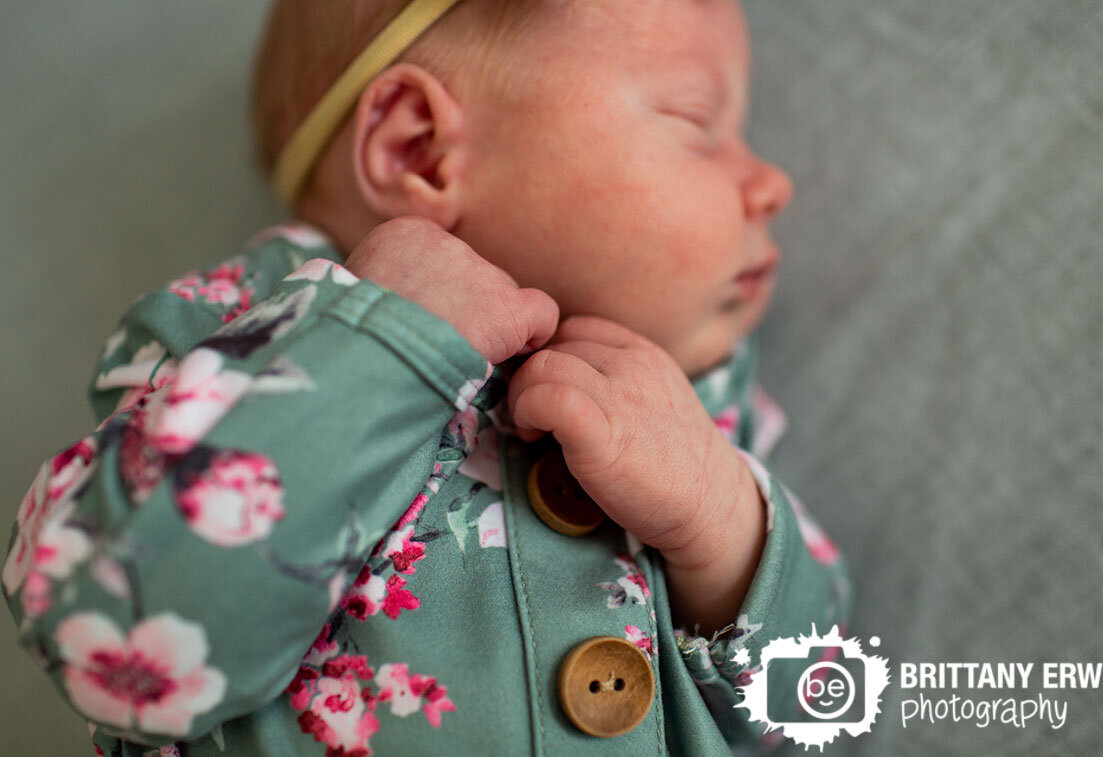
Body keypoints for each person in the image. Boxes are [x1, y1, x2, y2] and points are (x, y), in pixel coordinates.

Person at [2, 0, 851, 753]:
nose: (770, 181)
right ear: (422, 148)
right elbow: (114, 636)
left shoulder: (696, 401)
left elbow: (824, 713)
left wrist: (723, 526)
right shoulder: (230, 333)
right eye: (697, 121)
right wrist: (385, 346)